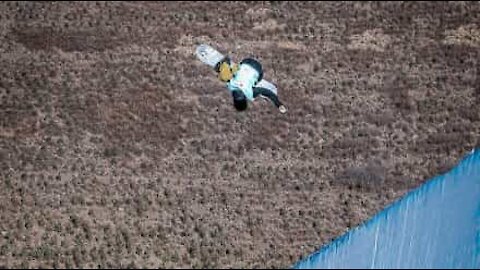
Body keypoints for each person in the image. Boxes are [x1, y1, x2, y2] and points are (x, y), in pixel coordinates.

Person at [214, 56, 288, 113]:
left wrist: (279, 105)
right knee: (226, 78)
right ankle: (225, 65)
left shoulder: (250, 94)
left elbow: (267, 92)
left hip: (255, 67)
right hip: (245, 62)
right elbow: (267, 92)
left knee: (227, 77)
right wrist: (278, 104)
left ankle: (253, 81)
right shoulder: (231, 87)